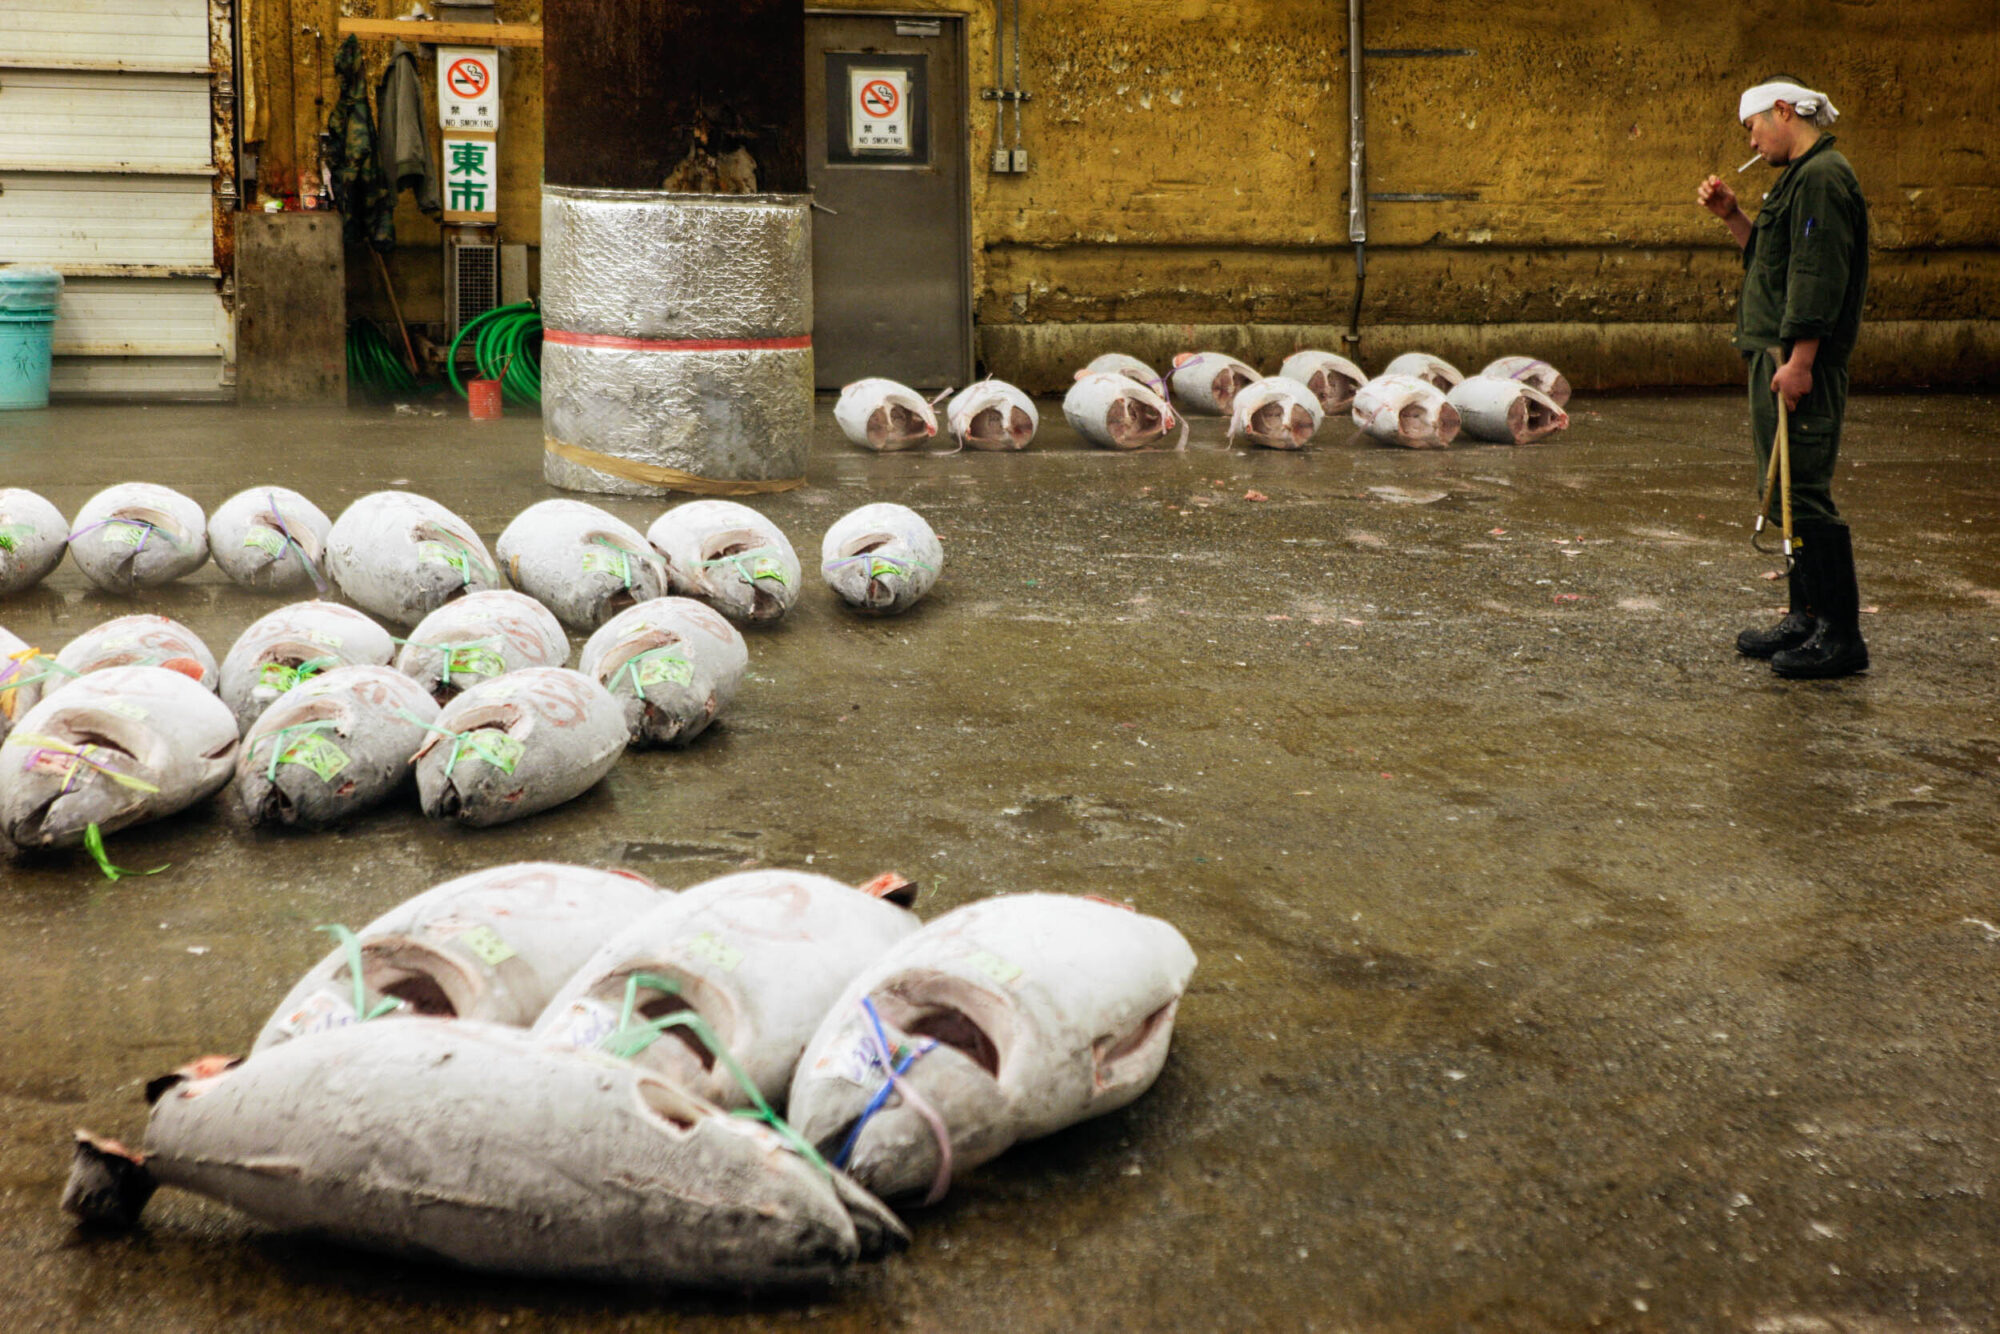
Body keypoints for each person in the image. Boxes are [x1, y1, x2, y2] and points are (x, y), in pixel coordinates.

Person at [1697, 77, 1870, 679]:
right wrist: (1733, 216)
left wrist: (1800, 362)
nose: (1751, 140)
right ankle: (1805, 617)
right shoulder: (1799, 179)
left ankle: (1841, 637)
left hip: (1797, 362)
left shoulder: (1822, 177)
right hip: (1778, 358)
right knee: (1784, 492)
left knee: (1805, 492)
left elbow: (1818, 275)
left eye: (1752, 127)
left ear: (1781, 112)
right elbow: (1775, 265)